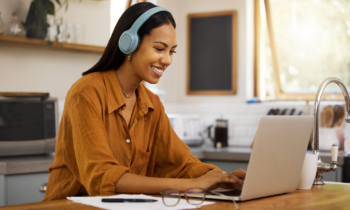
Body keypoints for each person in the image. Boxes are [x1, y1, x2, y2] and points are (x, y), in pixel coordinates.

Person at [43, 2, 245, 201]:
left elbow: (181, 165)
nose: (167, 60)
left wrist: (224, 178)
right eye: (159, 49)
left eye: (172, 51)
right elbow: (103, 177)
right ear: (129, 43)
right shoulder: (86, 92)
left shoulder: (152, 104)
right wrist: (190, 185)